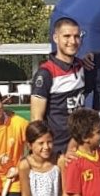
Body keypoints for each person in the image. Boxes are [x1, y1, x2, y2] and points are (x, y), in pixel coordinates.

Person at [30, 17, 93, 156]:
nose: (72, 41)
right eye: (67, 36)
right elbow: (36, 119)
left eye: (77, 36)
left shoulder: (82, 66)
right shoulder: (45, 73)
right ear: (55, 38)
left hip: (80, 144)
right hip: (58, 150)